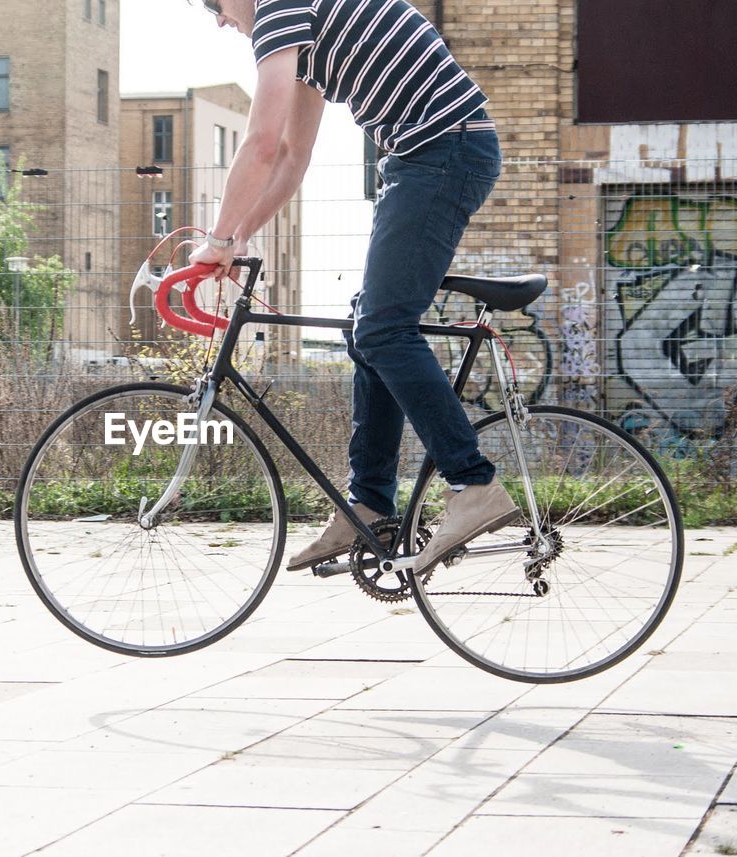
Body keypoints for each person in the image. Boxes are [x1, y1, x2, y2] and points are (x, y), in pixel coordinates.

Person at [189, 0, 519, 575]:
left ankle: (474, 484)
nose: (217, 20)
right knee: (369, 327)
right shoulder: (303, 26)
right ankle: (369, 501)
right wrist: (238, 236)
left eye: (213, 5)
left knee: (384, 330)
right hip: (427, 155)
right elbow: (292, 157)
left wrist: (216, 240)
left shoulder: (278, 10)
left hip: (441, 151)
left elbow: (261, 141)